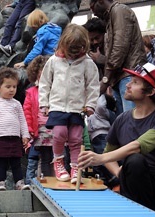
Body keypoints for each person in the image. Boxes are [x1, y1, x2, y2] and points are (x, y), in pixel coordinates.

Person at [78, 63, 155, 210]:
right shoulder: (122, 119)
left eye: (135, 82)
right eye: (130, 80)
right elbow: (108, 153)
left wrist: (100, 159)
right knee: (133, 163)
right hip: (135, 188)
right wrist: (120, 173)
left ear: (150, 91)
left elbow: (138, 146)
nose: (128, 85)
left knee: (135, 158)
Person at [38, 24, 99, 184]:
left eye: (76, 49)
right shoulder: (54, 61)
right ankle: (58, 161)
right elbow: (45, 82)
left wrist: (91, 104)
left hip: (77, 107)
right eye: (70, 49)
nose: (72, 53)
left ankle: (75, 167)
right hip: (57, 106)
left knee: (76, 138)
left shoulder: (87, 63)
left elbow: (93, 85)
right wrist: (44, 103)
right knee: (59, 134)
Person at [90, 0, 146, 115]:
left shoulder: (119, 10)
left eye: (92, 8)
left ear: (100, 1)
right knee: (125, 123)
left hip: (129, 76)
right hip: (120, 78)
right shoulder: (111, 17)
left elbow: (120, 47)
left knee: (131, 122)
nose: (94, 13)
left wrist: (106, 79)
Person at [23, 55, 53, 183]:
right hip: (41, 130)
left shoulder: (57, 91)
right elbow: (27, 112)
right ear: (36, 76)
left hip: (57, 129)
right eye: (42, 77)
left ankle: (59, 180)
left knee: (60, 156)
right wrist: (28, 129)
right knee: (45, 157)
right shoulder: (32, 92)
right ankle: (46, 182)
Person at [87, 93, 119, 188]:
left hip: (102, 136)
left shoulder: (101, 112)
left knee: (104, 157)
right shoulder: (93, 114)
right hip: (95, 139)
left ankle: (116, 181)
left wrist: (98, 93)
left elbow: (101, 104)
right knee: (97, 162)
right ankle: (104, 182)